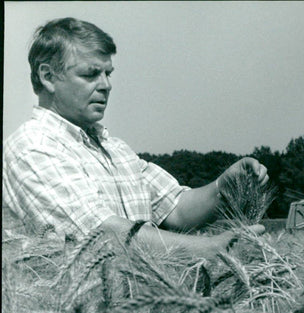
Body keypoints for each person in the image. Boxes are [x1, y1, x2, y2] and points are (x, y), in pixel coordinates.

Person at [2, 17, 267, 256]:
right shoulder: (32, 147)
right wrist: (210, 249)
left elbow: (177, 209)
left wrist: (224, 185)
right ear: (48, 76)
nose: (106, 85)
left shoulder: (115, 149)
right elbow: (99, 234)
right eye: (91, 74)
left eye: (108, 73)